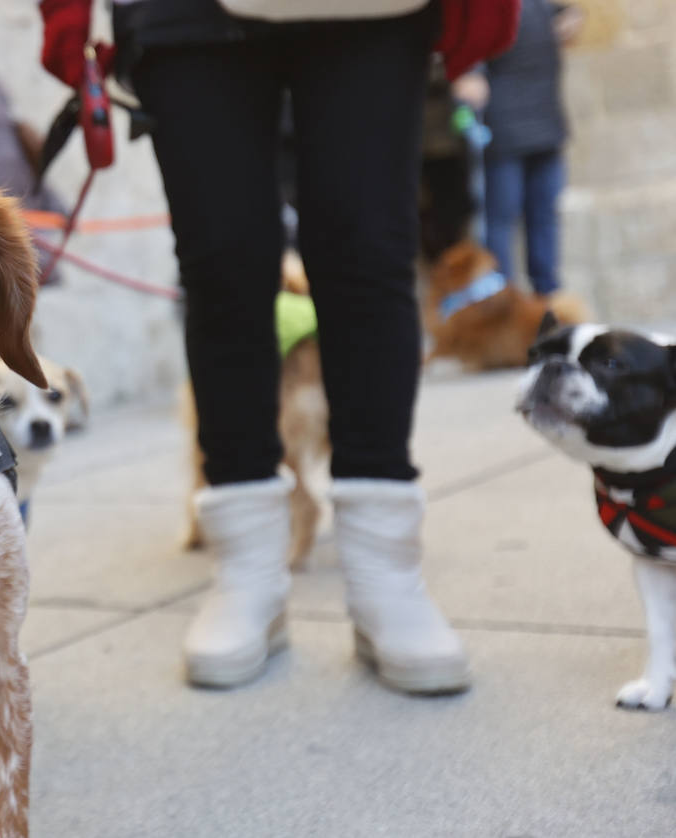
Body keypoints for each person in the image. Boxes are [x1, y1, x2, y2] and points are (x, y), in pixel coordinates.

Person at [40, 0, 469, 695]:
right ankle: (247, 574)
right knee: (222, 262)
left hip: (369, 11)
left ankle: (385, 574)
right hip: (186, 16)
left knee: (370, 248)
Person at [466, 0, 582, 297]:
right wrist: (467, 73)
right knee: (501, 222)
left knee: (544, 217)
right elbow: (463, 51)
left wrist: (570, 16)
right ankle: (503, 302)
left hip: (546, 124)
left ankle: (548, 298)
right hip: (504, 133)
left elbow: (558, 12)